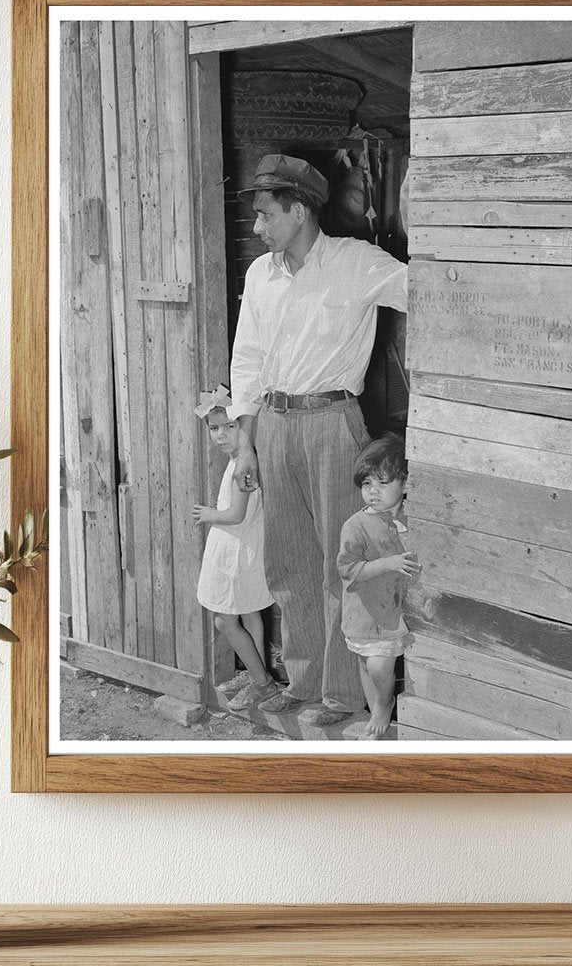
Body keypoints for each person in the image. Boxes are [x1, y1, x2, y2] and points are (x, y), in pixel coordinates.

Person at [227, 153, 408, 727]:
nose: (257, 227)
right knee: (288, 561)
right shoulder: (261, 276)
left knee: (341, 561)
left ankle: (340, 694)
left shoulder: (357, 263)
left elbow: (432, 293)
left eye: (265, 215)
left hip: (334, 423)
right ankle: (301, 681)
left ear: (298, 210)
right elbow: (247, 362)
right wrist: (245, 442)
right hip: (274, 426)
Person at [192, 385, 278, 712]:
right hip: (245, 546)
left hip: (235, 551)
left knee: (224, 621)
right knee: (250, 612)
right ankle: (258, 672)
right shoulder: (239, 461)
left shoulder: (242, 465)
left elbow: (236, 513)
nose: (221, 435)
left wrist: (209, 514)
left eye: (230, 426)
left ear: (244, 427)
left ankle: (261, 682)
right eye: (214, 429)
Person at [337, 436, 419, 738]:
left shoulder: (413, 517)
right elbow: (348, 568)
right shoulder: (355, 526)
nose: (372, 491)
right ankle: (380, 707)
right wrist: (387, 563)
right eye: (367, 483)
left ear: (405, 484)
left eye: (382, 483)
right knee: (368, 663)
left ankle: (383, 705)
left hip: (395, 612)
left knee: (377, 665)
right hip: (366, 611)